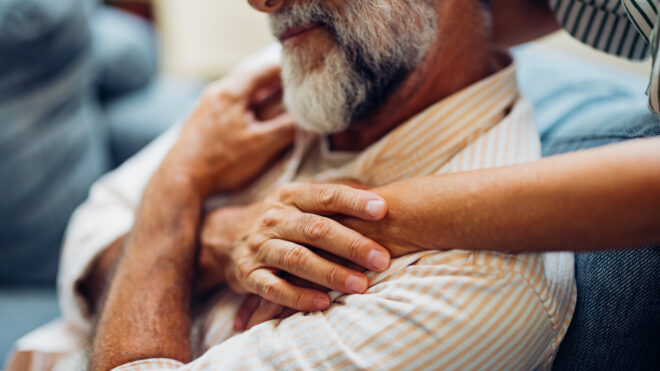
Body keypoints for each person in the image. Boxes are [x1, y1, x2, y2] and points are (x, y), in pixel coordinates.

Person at [7, 0, 576, 370]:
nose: (258, 2)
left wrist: (178, 185)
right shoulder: (298, 70)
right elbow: (92, 224)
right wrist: (212, 238)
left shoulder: (474, 292)